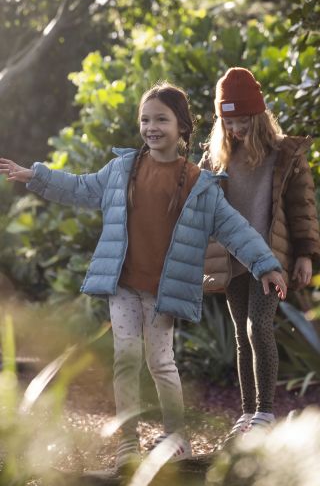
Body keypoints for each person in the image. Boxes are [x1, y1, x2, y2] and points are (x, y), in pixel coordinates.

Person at [0, 82, 287, 467]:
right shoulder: (122, 169)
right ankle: (128, 442)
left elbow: (235, 229)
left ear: (182, 127)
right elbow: (82, 188)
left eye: (160, 119)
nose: (151, 127)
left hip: (162, 291)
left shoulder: (199, 185)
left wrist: (265, 264)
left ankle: (176, 439)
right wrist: (34, 175)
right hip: (123, 286)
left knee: (161, 363)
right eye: (145, 119)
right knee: (125, 358)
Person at [199, 67, 320, 440]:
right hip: (233, 259)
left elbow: (303, 208)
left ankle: (265, 412)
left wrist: (305, 255)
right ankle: (248, 412)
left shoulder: (285, 155)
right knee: (241, 333)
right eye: (229, 122)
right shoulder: (217, 159)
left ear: (259, 116)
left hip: (272, 259)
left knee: (258, 327)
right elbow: (198, 205)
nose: (236, 129)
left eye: (243, 121)